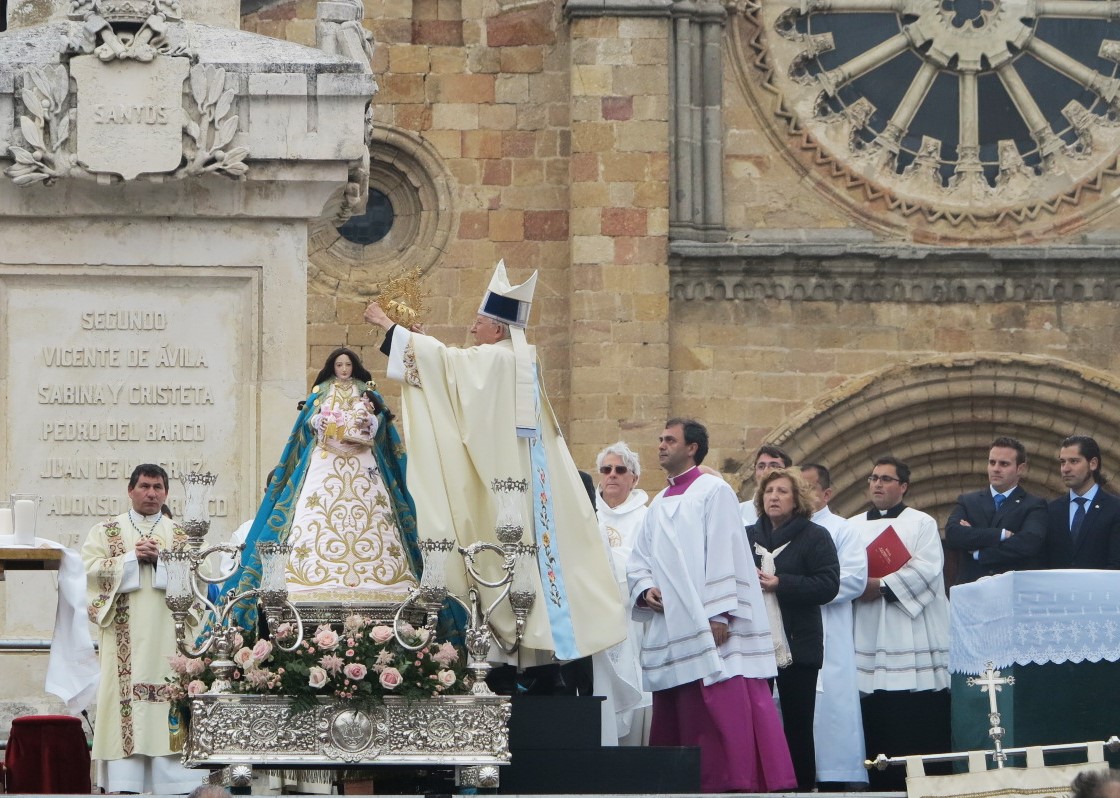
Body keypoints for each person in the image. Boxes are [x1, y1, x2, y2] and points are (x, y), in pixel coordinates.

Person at [363, 261, 625, 666]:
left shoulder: (503, 361)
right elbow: (455, 370)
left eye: (479, 322)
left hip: (507, 486)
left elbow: (451, 368)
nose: (472, 330)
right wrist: (422, 344)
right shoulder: (515, 361)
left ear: (499, 329)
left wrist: (389, 327)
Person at [627, 418, 796, 793]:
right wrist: (645, 588)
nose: (661, 445)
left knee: (721, 704)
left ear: (693, 448)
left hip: (711, 623)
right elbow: (640, 558)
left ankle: (732, 781)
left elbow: (726, 553)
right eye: (660, 439)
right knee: (680, 707)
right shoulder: (658, 503)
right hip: (674, 621)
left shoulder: (713, 491)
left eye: (670, 440)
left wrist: (720, 612)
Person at [220, 348, 421, 632]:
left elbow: (383, 423)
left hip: (363, 462)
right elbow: (305, 423)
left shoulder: (366, 390)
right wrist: (317, 422)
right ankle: (307, 579)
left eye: (348, 364)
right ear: (332, 367)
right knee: (311, 515)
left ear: (355, 367)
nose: (343, 369)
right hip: (326, 460)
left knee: (375, 515)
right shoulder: (321, 391)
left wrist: (370, 422)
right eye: (339, 364)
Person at [80, 464, 199, 794]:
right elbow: (87, 571)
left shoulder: (181, 535)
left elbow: (199, 582)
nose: (151, 493)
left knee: (170, 700)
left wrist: (164, 561)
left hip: (169, 639)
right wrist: (130, 560)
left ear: (166, 493)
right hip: (124, 643)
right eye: (145, 486)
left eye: (158, 487)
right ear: (130, 490)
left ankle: (175, 784)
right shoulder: (105, 531)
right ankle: (127, 785)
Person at [848, 456, 951, 792]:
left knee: (913, 711)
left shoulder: (921, 523)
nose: (877, 484)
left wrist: (878, 586)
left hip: (910, 627)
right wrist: (855, 585)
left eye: (886, 479)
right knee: (872, 707)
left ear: (903, 486)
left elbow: (928, 569)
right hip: (865, 625)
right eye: (873, 478)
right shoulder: (850, 525)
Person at [746, 467, 839, 791]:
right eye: (769, 491)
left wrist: (780, 583)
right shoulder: (747, 536)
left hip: (798, 645)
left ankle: (800, 788)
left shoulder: (815, 537)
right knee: (755, 723)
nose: (774, 497)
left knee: (798, 725)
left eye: (782, 491)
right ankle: (759, 786)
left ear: (797, 499)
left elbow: (828, 585)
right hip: (754, 644)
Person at [800, 463, 869, 790]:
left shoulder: (842, 530)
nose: (800, 494)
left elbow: (854, 579)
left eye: (808, 487)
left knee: (830, 710)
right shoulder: (778, 529)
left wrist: (797, 589)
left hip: (828, 631)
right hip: (786, 633)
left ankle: (834, 779)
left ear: (827, 494)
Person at [593, 441, 651, 746]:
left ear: (634, 478)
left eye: (620, 469)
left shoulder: (645, 517)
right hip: (592, 611)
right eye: (606, 469)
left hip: (630, 613)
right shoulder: (589, 513)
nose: (612, 475)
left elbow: (642, 561)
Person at [945, 436, 1048, 583]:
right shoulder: (968, 501)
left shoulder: (1034, 505)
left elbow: (1027, 544)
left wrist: (979, 553)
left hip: (1012, 591)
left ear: (1020, 469)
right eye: (992, 462)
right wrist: (1001, 534)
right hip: (972, 590)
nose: (996, 469)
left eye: (1004, 464)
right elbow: (952, 534)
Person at [1043, 435, 1120, 569]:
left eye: (1074, 461)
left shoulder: (1114, 508)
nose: (1065, 469)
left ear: (1093, 463)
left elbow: (1116, 563)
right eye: (1062, 462)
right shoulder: (1052, 510)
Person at [740, 444, 792, 526]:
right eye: (761, 466)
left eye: (774, 466)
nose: (766, 471)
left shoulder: (798, 513)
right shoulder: (738, 511)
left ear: (788, 472)